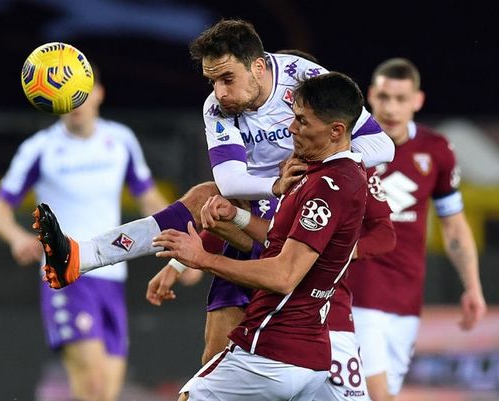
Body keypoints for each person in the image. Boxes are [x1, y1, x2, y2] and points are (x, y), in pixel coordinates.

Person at [31, 19, 395, 293]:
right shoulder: (217, 109)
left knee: (208, 201)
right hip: (264, 204)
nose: (219, 93)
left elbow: (382, 147)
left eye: (226, 79)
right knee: (208, 200)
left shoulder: (306, 77)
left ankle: (90, 256)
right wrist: (277, 184)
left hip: (308, 211)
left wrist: (315, 171)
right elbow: (230, 180)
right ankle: (83, 256)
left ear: (258, 66)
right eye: (212, 81)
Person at [147, 49, 397, 401]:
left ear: (336, 129)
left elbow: (284, 273)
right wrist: (234, 218)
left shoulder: (327, 184)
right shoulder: (306, 176)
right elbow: (277, 237)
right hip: (313, 346)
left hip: (280, 339)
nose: (290, 129)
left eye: (301, 120)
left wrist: (201, 259)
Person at [0, 66, 168, 401]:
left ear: (99, 93)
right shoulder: (39, 148)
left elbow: (149, 198)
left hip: (113, 274)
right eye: (66, 92)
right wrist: (16, 238)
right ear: (53, 99)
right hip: (67, 273)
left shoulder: (121, 140)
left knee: (106, 393)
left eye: (82, 90)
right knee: (93, 385)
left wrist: (176, 236)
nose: (76, 100)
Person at [347, 58, 487, 401]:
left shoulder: (435, 150)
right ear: (370, 97)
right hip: (356, 293)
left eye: (401, 98)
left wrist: (472, 286)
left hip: (407, 298)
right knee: (378, 396)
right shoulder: (348, 146)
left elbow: (453, 226)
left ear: (417, 101)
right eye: (384, 97)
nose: (391, 108)